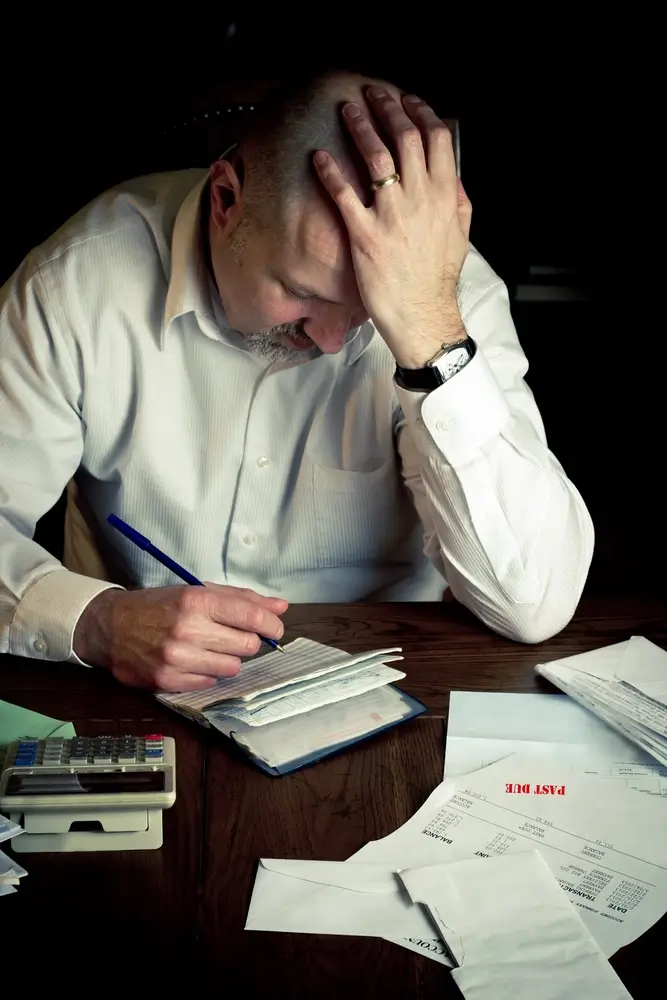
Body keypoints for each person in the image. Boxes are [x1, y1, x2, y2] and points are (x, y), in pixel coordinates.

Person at [0, 70, 594, 693]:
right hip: (143, 694)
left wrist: (428, 338)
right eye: (302, 293)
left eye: (366, 307)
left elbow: (534, 602)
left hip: (390, 685)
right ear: (226, 201)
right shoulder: (74, 283)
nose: (334, 340)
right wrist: (97, 622)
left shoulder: (451, 296)